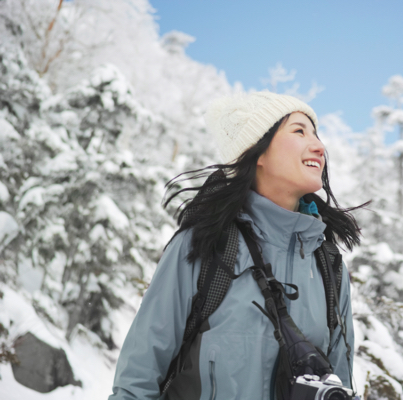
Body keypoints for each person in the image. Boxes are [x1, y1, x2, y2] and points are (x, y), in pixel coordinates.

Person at [108, 92, 365, 400]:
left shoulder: (329, 268)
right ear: (257, 152)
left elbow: (338, 383)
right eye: (299, 131)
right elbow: (138, 377)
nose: (320, 146)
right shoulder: (205, 245)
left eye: (316, 134)